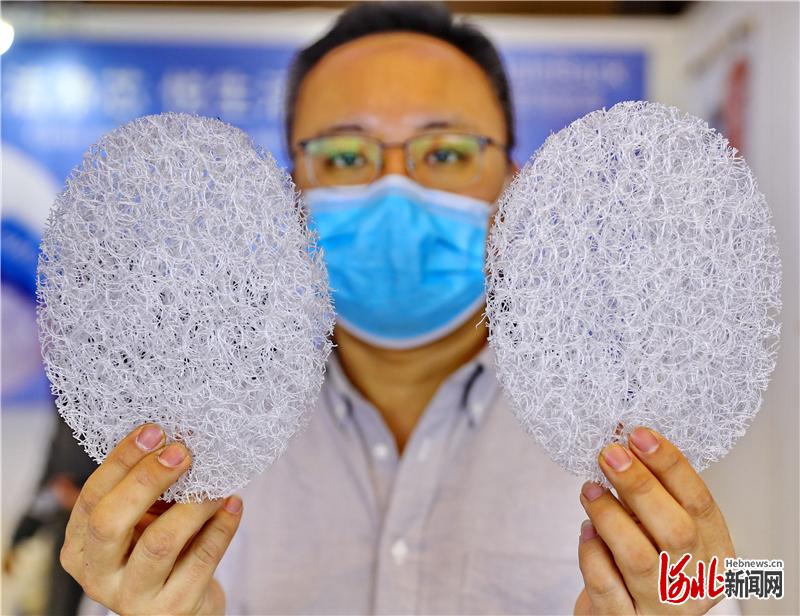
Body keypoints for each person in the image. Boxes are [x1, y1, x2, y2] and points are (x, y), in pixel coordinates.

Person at [60, 3, 737, 614]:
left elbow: (745, 584)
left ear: (514, 186)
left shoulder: (620, 431)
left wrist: (701, 600)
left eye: (445, 152)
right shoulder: (199, 440)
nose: (394, 190)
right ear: (289, 192)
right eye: (344, 156)